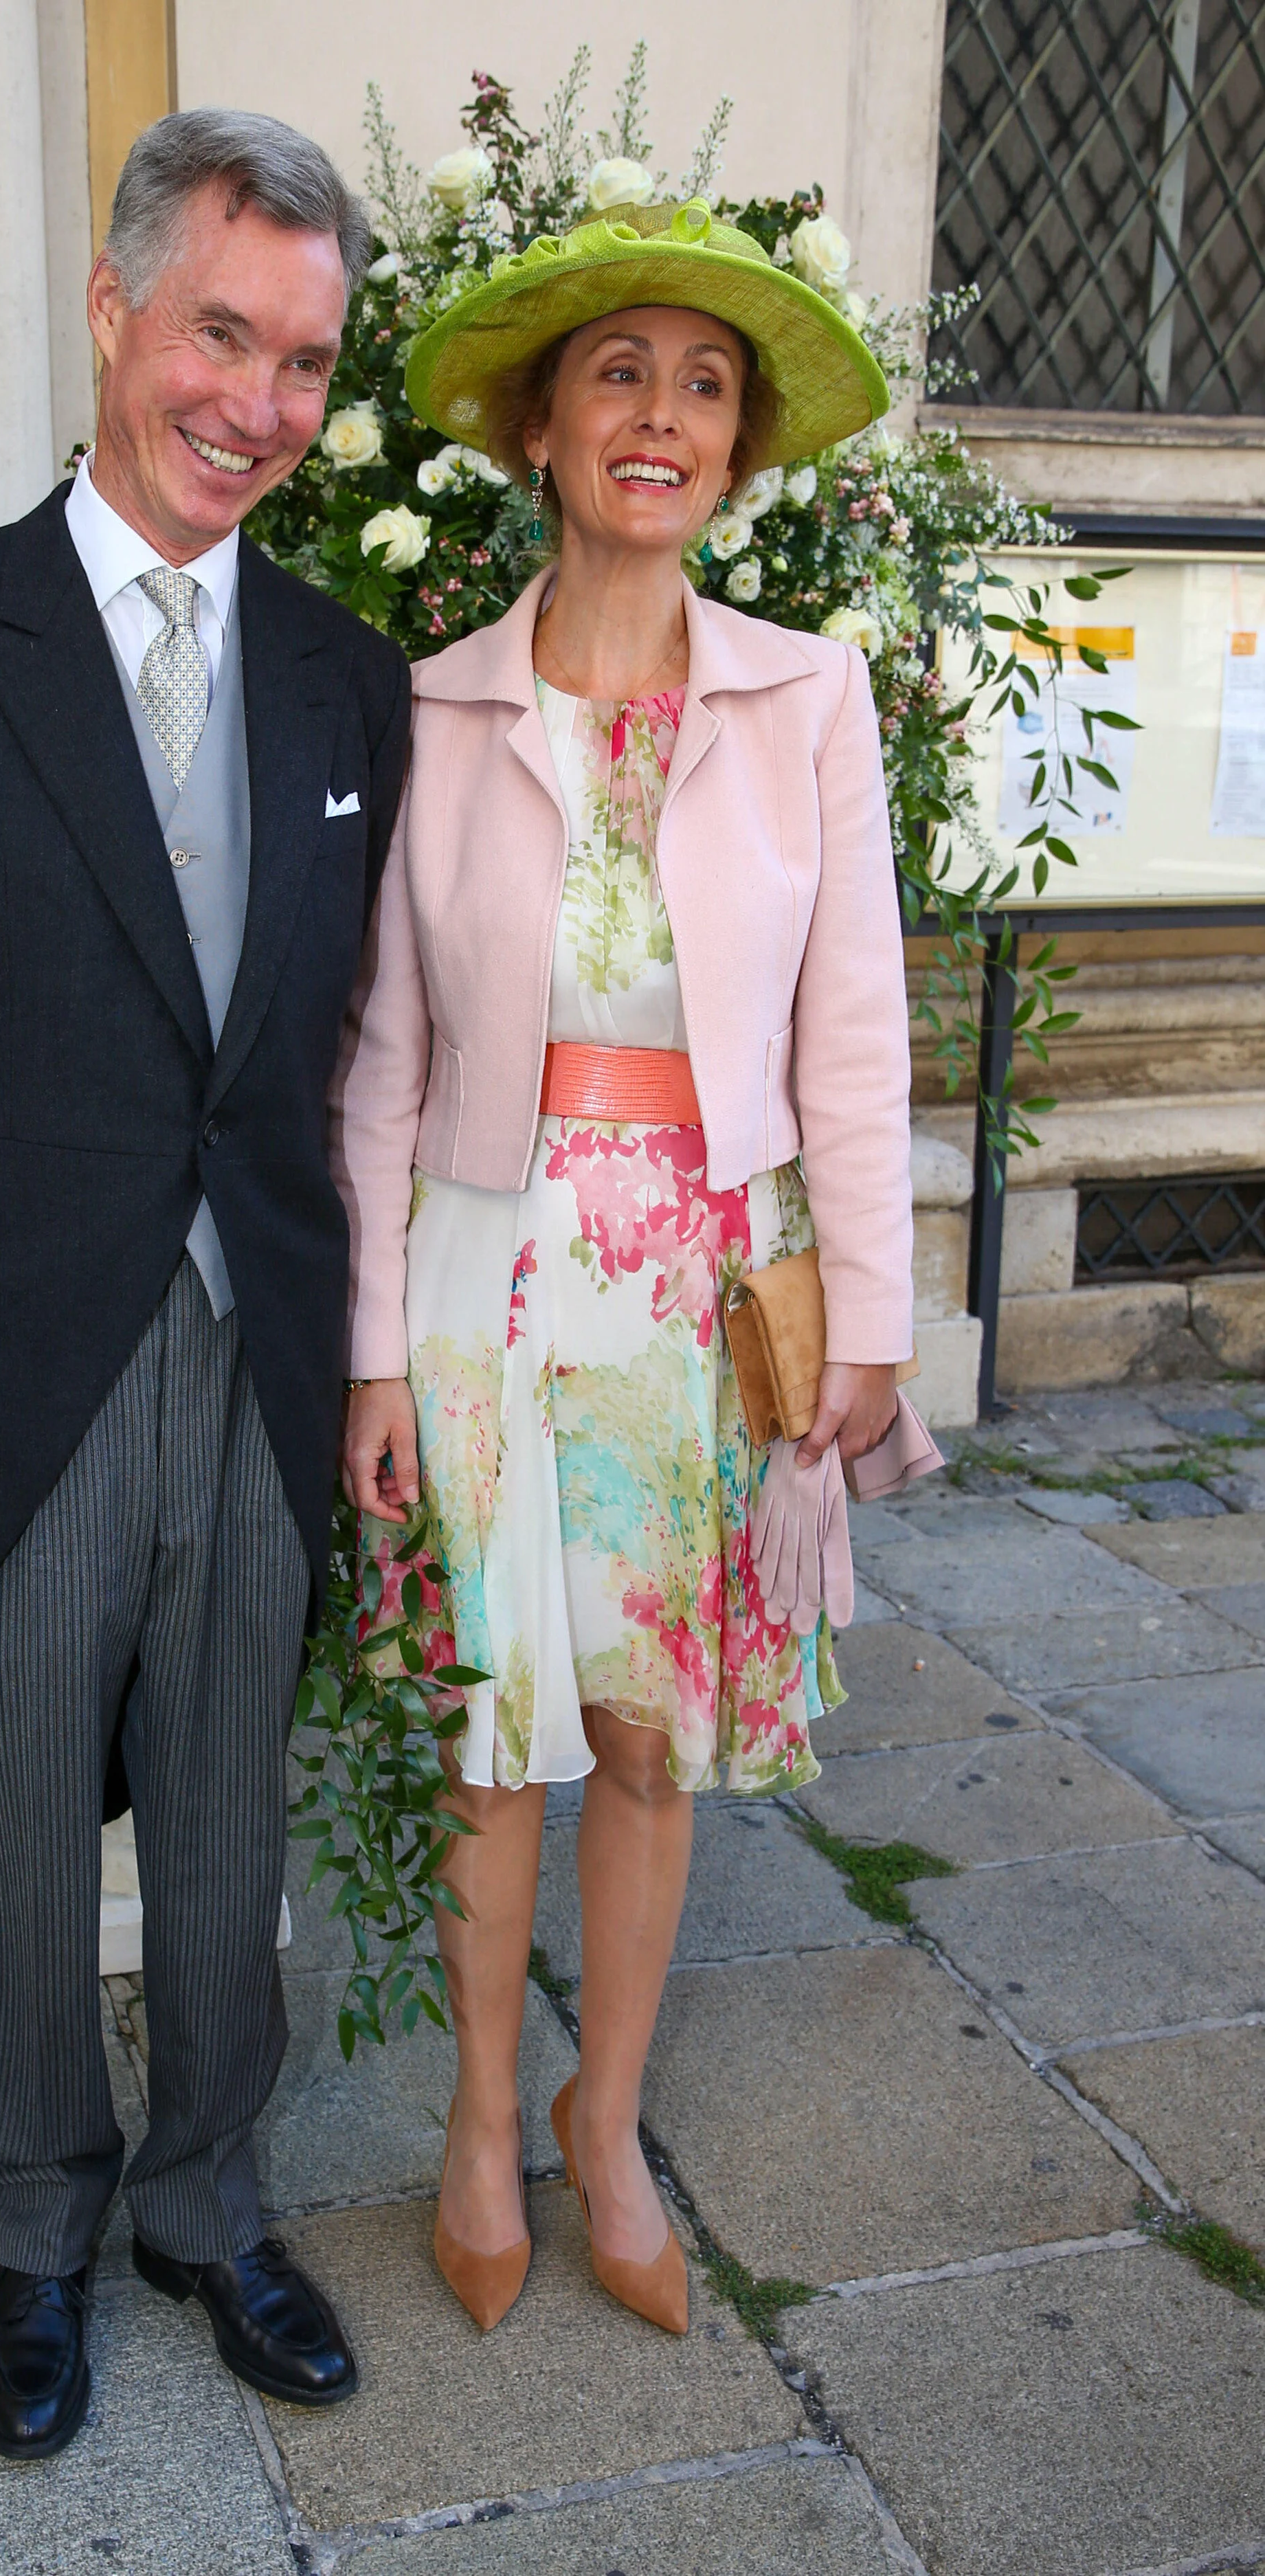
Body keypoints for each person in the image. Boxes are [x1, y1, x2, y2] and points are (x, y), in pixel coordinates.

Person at [0, 109, 410, 2458]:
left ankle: (202, 2189)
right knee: (20, 1811)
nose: (256, 400)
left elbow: (334, 1036)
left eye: (308, 359)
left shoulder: (351, 679)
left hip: (259, 1339)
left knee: (228, 1808)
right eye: (223, 332)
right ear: (118, 309)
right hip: (6, 1346)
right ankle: (37, 2225)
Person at [333, 201, 912, 2338]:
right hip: (484, 1271)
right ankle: (481, 2118)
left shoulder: (804, 697)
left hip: (704, 1283)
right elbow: (377, 1050)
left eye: (699, 384)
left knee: (647, 1733)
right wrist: (367, 1351)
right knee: (492, 1732)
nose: (655, 414)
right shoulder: (424, 705)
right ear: (540, 430)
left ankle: (608, 2113)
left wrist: (868, 1305)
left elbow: (849, 1021)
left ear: (730, 449)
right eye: (616, 375)